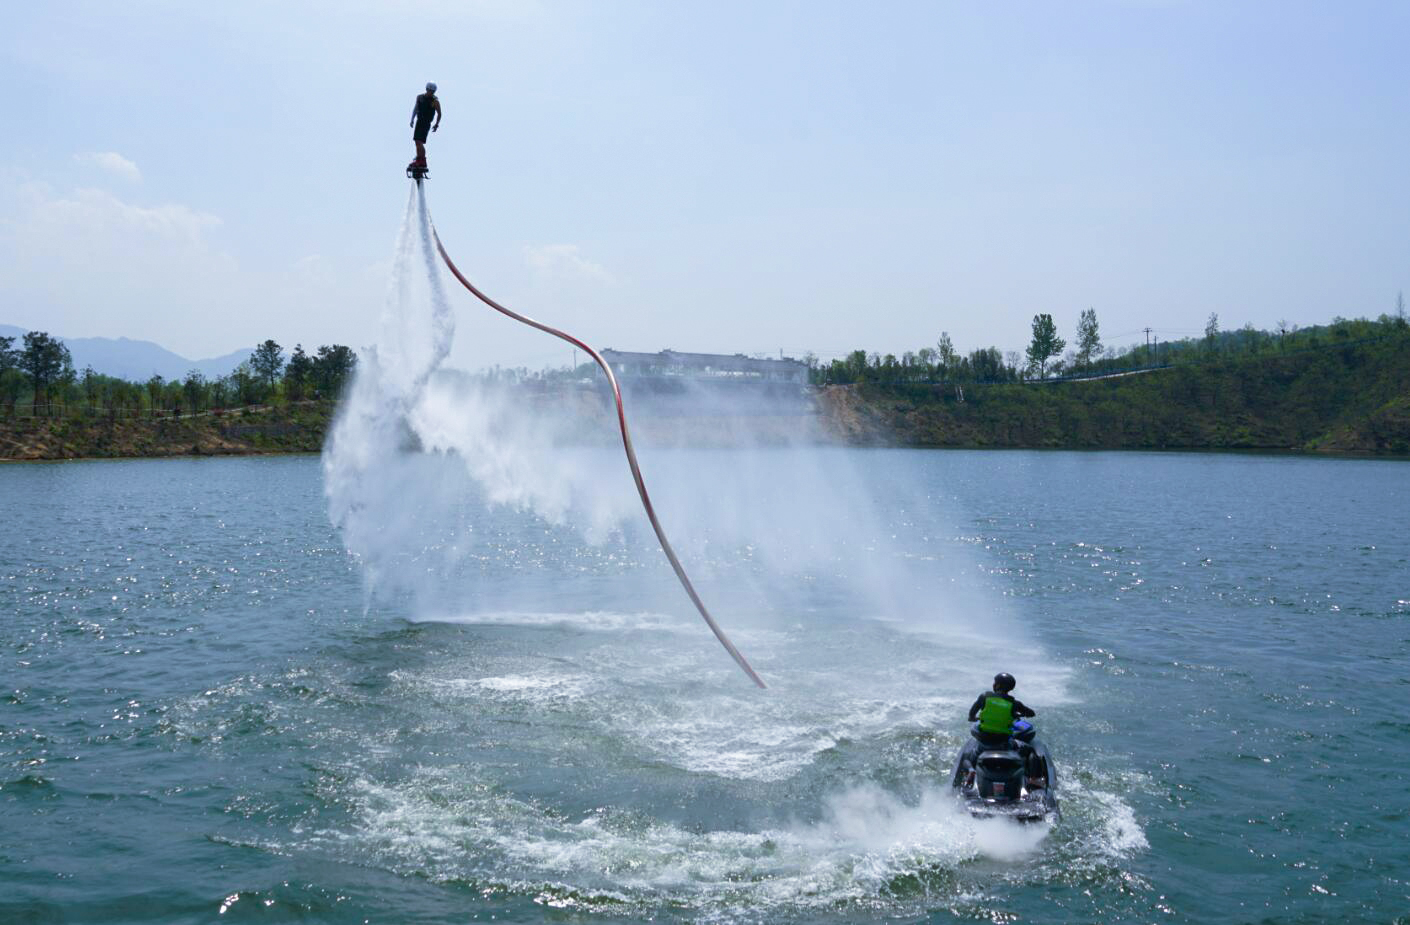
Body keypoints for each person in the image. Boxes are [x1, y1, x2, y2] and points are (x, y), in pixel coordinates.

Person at [967, 672, 1036, 747]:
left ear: (998, 685)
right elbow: (1031, 713)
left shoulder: (984, 697)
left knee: (975, 726)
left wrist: (973, 718)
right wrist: (1019, 714)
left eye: (995, 683)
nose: (993, 684)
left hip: (984, 736)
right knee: (1026, 747)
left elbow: (971, 714)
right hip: (1003, 739)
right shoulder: (1015, 703)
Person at [409, 82, 441, 170]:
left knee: (419, 141)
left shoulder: (435, 101)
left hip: (426, 123)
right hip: (419, 121)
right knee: (417, 141)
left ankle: (422, 160)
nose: (431, 92)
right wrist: (412, 119)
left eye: (433, 91)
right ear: (427, 89)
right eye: (430, 90)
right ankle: (419, 158)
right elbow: (416, 108)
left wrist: (436, 124)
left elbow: (439, 113)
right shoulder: (420, 97)